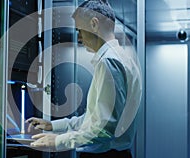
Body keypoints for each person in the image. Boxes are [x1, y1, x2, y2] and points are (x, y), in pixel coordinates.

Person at [26, 0, 142, 157]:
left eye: (79, 30)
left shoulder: (108, 61)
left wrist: (58, 141)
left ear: (94, 24)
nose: (79, 37)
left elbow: (103, 131)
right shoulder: (124, 58)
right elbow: (93, 120)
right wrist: (53, 126)